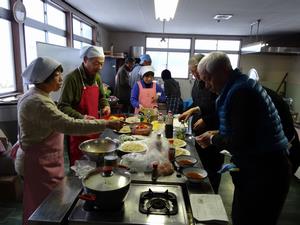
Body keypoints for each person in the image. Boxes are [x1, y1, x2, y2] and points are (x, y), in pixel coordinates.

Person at [17, 57, 122, 225]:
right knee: (45, 208)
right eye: (56, 75)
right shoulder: (37, 102)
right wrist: (106, 123)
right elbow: (68, 124)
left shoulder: (40, 96)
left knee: (48, 202)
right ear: (44, 78)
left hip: (46, 159)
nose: (60, 79)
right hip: (39, 163)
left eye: (60, 74)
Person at [196, 52, 291, 225]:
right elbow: (244, 129)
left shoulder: (242, 92)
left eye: (208, 78)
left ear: (224, 70)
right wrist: (215, 133)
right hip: (254, 168)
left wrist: (213, 139)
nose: (207, 85)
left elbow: (239, 140)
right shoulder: (235, 88)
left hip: (265, 173)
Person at [58, 45, 111, 166]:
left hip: (94, 128)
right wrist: (82, 118)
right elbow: (62, 106)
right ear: (85, 60)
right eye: (96, 63)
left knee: (95, 164)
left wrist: (105, 106)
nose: (100, 67)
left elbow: (102, 97)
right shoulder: (72, 79)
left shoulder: (97, 77)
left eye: (102, 64)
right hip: (78, 130)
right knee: (80, 167)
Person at [178, 54, 223, 193]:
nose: (194, 75)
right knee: (200, 163)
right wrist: (189, 110)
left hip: (214, 133)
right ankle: (198, 189)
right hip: (200, 130)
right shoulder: (198, 82)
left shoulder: (214, 84)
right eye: (192, 72)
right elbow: (198, 102)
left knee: (212, 168)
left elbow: (218, 107)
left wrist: (206, 119)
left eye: (196, 72)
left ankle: (211, 193)